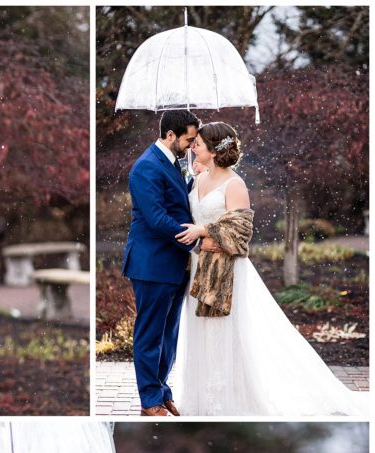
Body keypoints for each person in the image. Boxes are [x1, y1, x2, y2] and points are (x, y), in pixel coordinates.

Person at [173, 122, 369, 417]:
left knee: (228, 337)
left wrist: (203, 231)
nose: (193, 147)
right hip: (201, 270)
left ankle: (230, 401)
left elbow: (240, 232)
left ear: (213, 151)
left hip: (228, 273)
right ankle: (203, 400)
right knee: (201, 334)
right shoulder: (198, 181)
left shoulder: (234, 184)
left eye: (198, 144)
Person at [123, 109, 220, 417]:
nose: (193, 146)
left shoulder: (174, 164)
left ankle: (163, 391)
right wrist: (197, 239)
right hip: (151, 263)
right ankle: (149, 399)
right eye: (189, 139)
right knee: (150, 333)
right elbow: (156, 219)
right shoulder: (146, 168)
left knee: (168, 334)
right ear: (170, 135)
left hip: (175, 263)